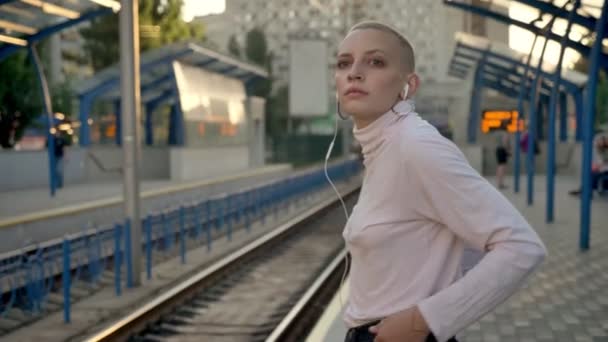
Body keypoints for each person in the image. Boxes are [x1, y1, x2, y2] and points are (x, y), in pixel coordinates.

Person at [335, 21, 546, 342]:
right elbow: (452, 239)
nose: (355, 72)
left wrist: (425, 319)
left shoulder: (415, 146)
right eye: (344, 63)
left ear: (409, 84)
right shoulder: (383, 147)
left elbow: (521, 247)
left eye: (375, 61)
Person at [493, 121, 511, 189]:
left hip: (498, 150)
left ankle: (499, 182)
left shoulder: (497, 132)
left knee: (499, 166)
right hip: (502, 150)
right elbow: (505, 142)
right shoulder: (505, 133)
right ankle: (501, 183)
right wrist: (508, 151)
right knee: (502, 167)